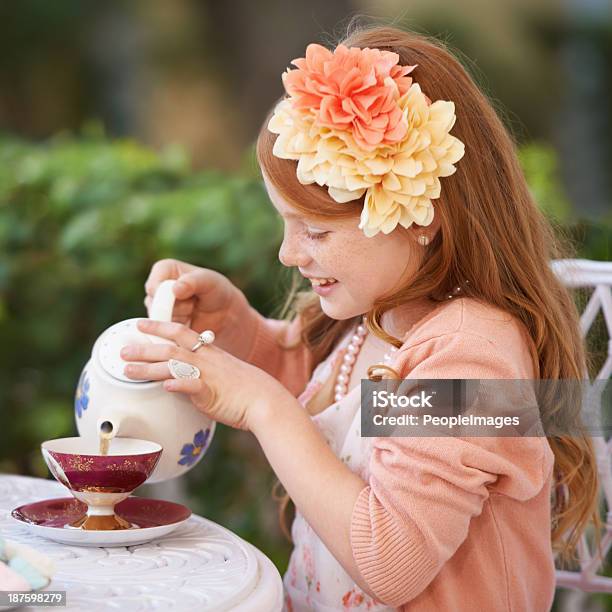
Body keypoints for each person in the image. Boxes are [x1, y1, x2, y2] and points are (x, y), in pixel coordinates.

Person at [121, 25, 600, 611]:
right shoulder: (377, 316)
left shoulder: (470, 355)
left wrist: (261, 406)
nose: (289, 255)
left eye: (316, 230)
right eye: (286, 224)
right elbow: (338, 408)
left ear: (420, 213)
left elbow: (389, 560)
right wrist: (241, 329)